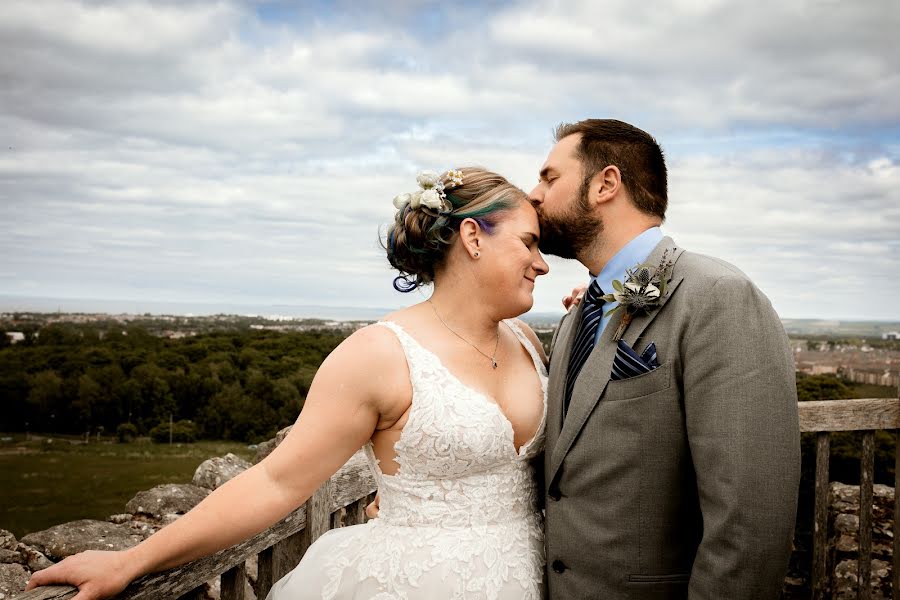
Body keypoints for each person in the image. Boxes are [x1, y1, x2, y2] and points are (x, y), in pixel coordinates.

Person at [25, 167, 551, 600]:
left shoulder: (525, 339)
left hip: (537, 575)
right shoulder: (379, 354)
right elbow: (277, 482)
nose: (542, 264)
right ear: (473, 236)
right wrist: (132, 560)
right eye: (529, 243)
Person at [530, 119, 801, 599]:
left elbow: (751, 516)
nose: (533, 195)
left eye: (550, 178)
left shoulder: (717, 296)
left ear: (605, 184)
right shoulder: (577, 317)